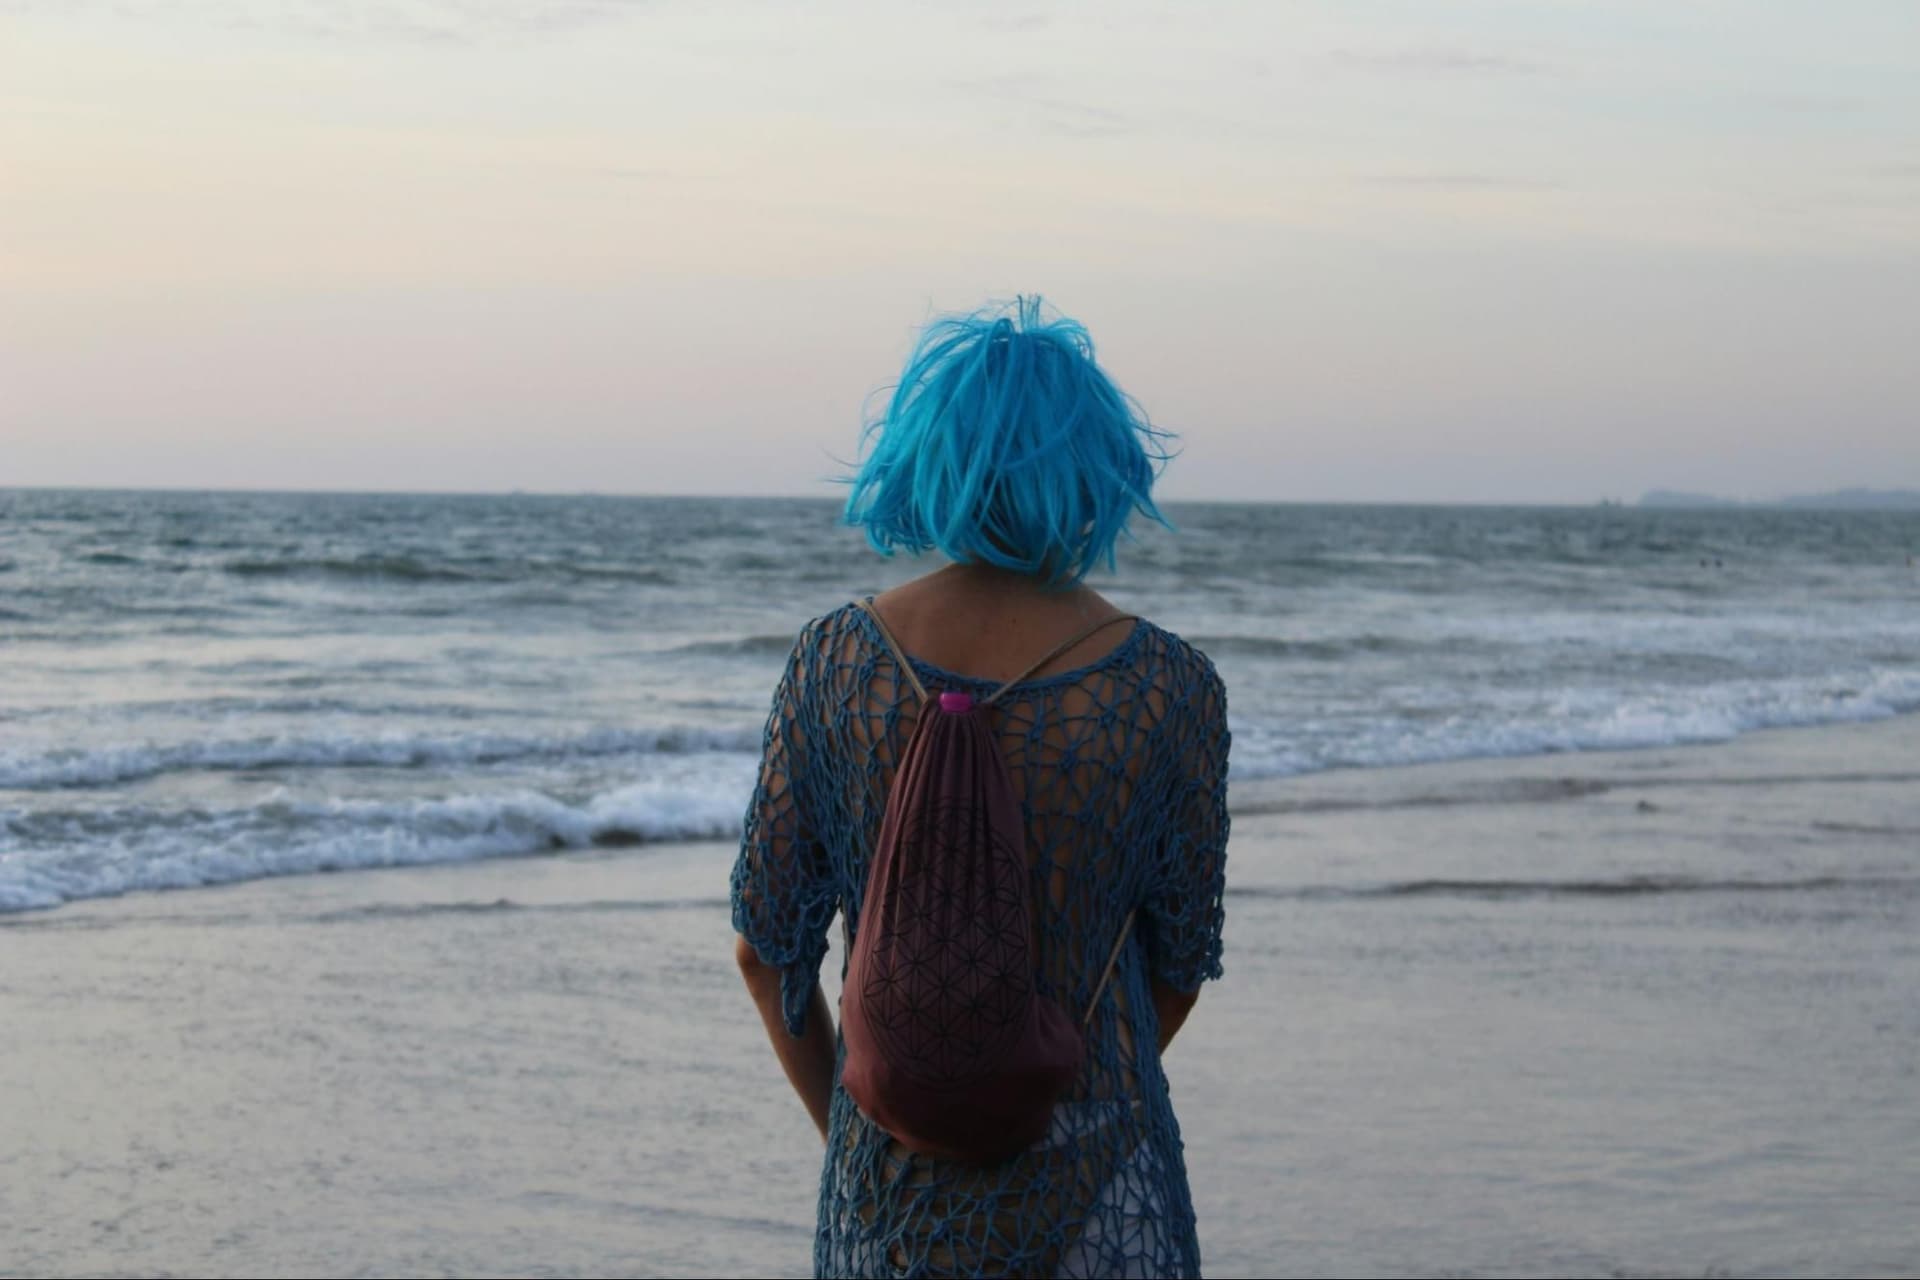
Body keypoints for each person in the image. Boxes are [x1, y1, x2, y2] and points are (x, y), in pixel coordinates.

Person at [730, 297, 1231, 1278]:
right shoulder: (1167, 686)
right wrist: (1039, 1104)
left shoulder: (836, 664)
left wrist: (865, 1122)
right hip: (1101, 1165)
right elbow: (1180, 959)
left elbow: (765, 950)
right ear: (1098, 465)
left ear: (925, 456)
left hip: (885, 1163)